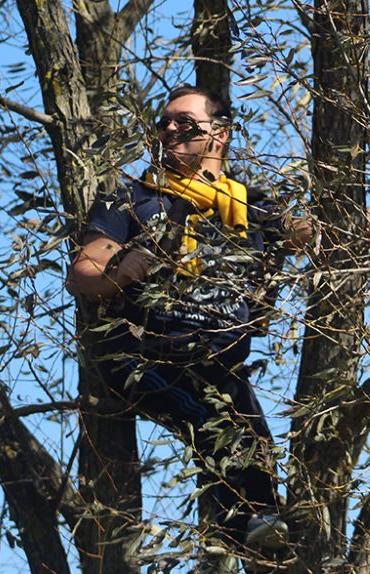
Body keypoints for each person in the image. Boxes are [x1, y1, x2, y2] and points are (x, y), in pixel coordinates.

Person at [66, 85, 313, 556]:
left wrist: (335, 227)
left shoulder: (250, 205)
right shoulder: (132, 197)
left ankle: (253, 541)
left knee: (257, 441)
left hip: (218, 362)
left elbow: (302, 233)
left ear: (219, 134)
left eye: (184, 121)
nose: (170, 129)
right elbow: (83, 273)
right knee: (212, 420)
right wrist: (124, 269)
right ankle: (254, 529)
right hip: (145, 356)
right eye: (164, 122)